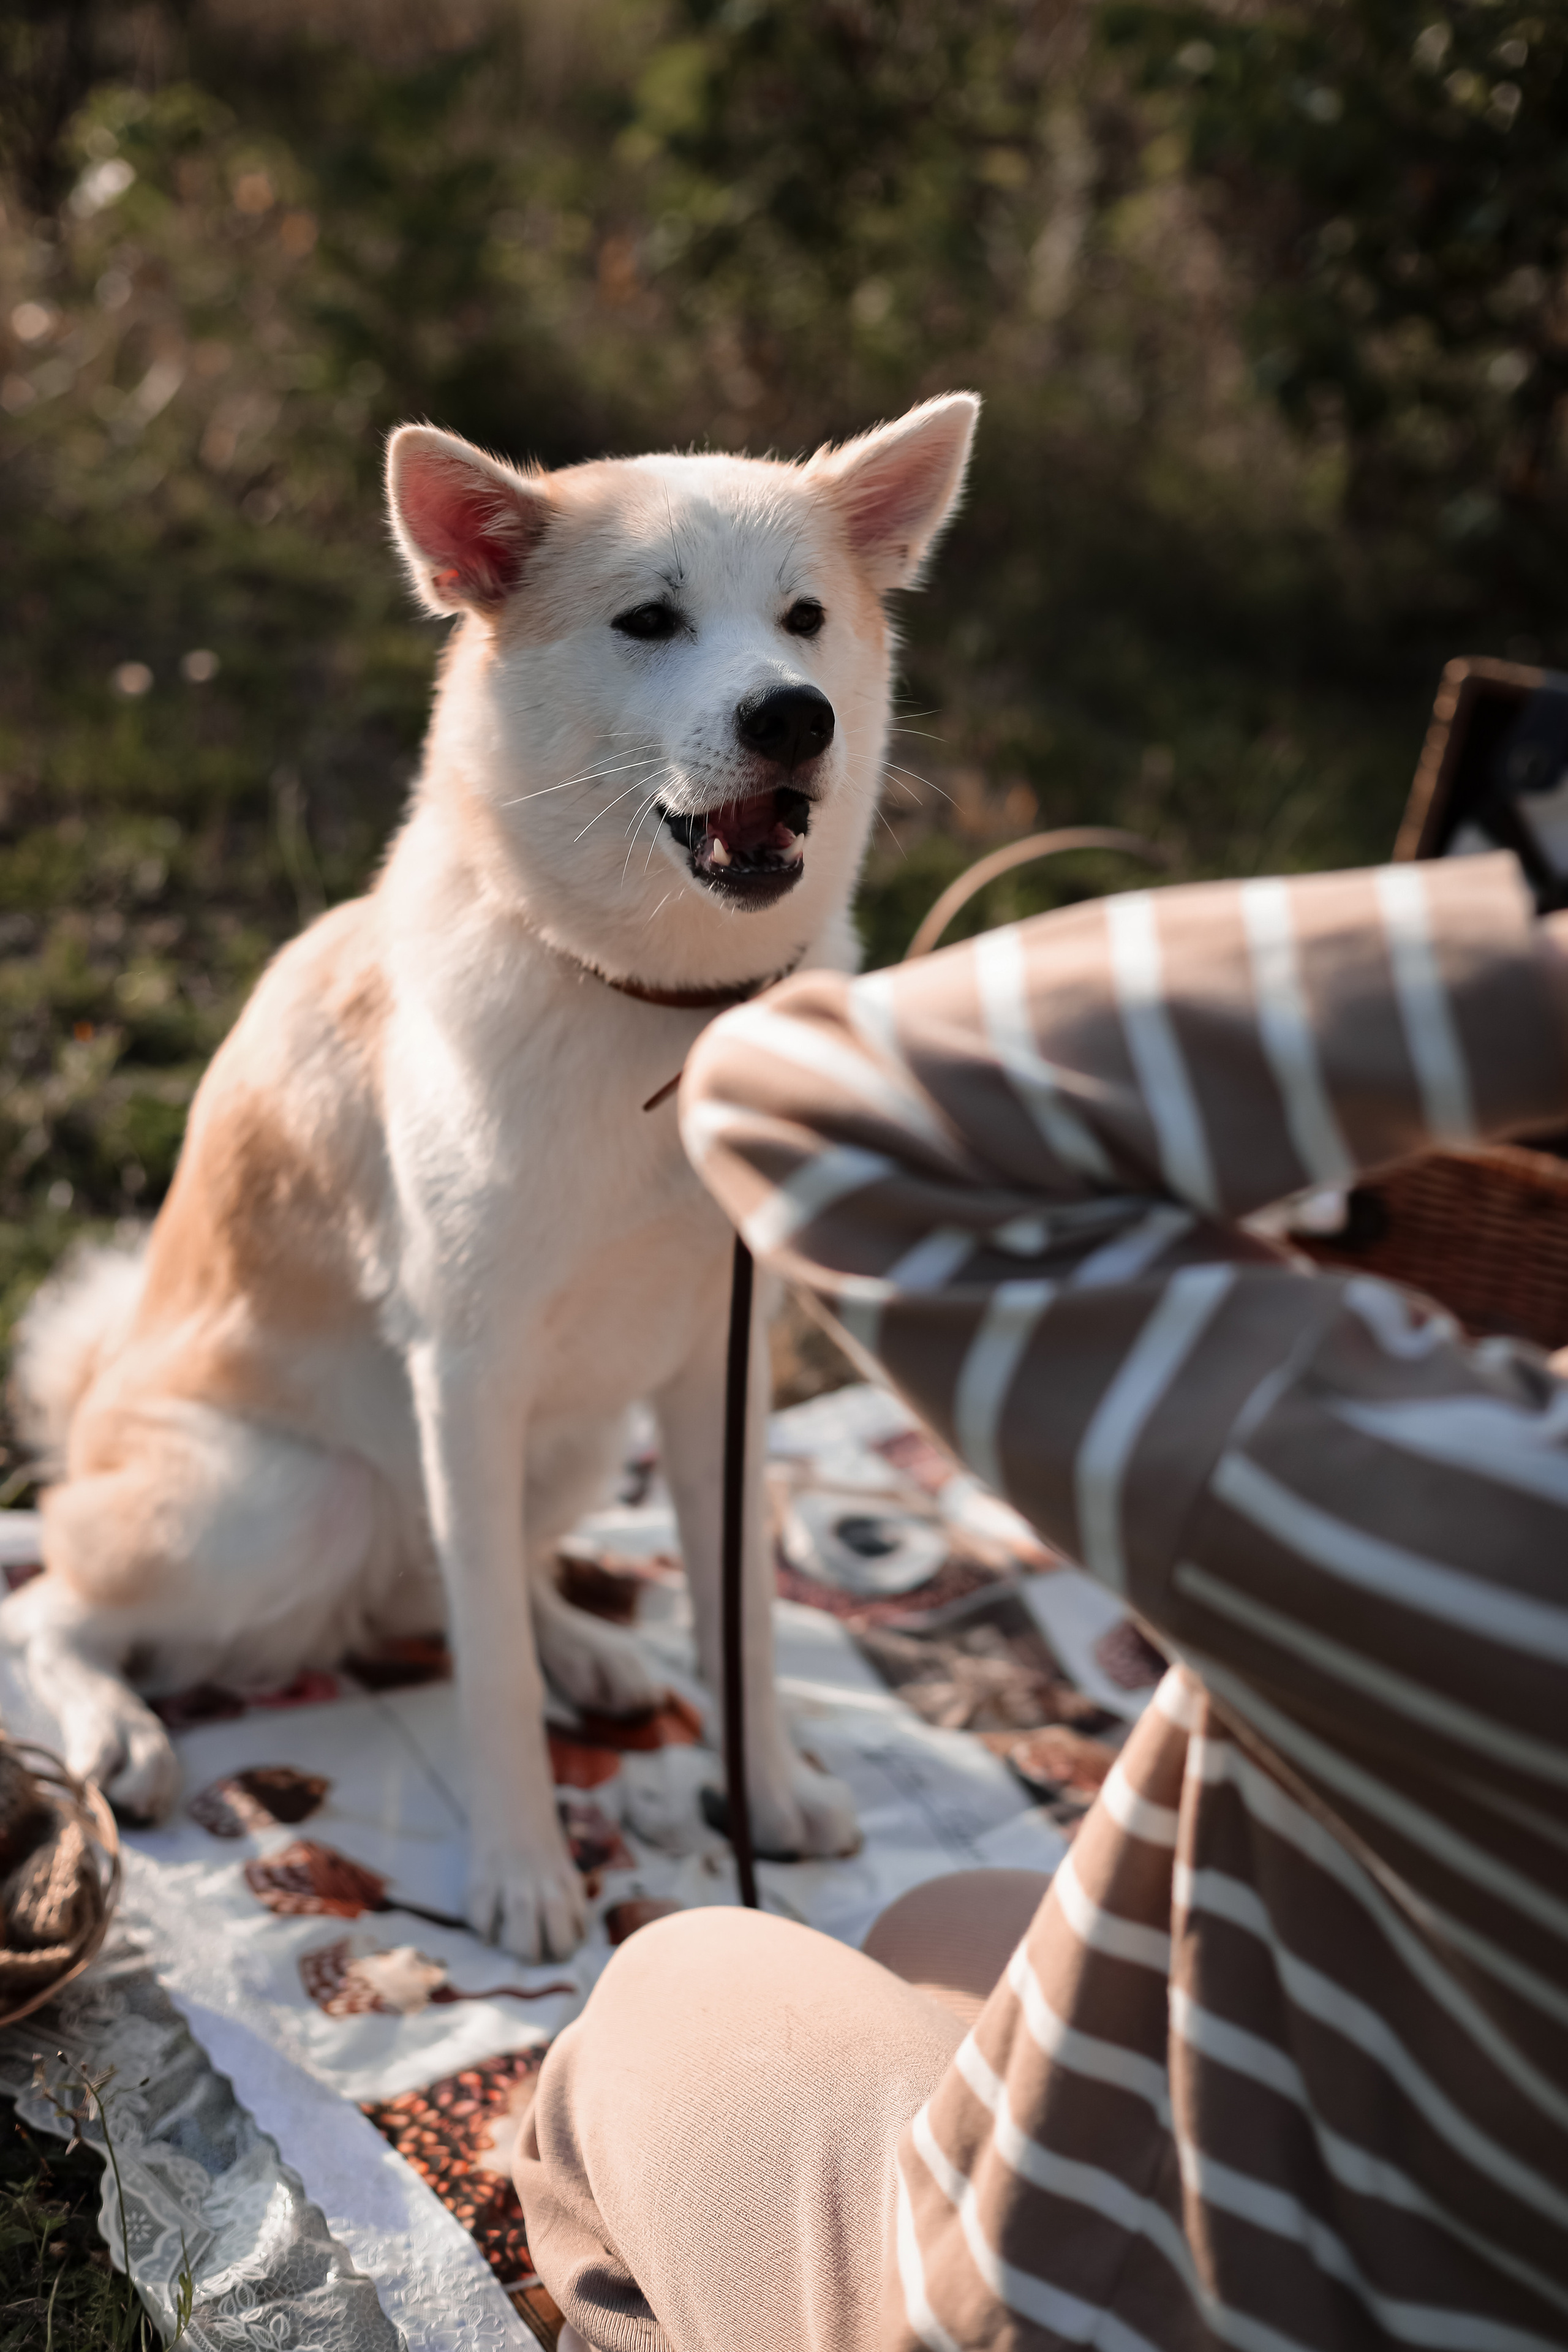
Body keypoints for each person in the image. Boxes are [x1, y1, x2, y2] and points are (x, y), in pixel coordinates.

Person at [514, 850, 1568, 2352]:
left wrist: (1528, 985)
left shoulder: (1495, 1526)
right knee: (949, 1924)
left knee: (672, 1985)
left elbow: (816, 1100)